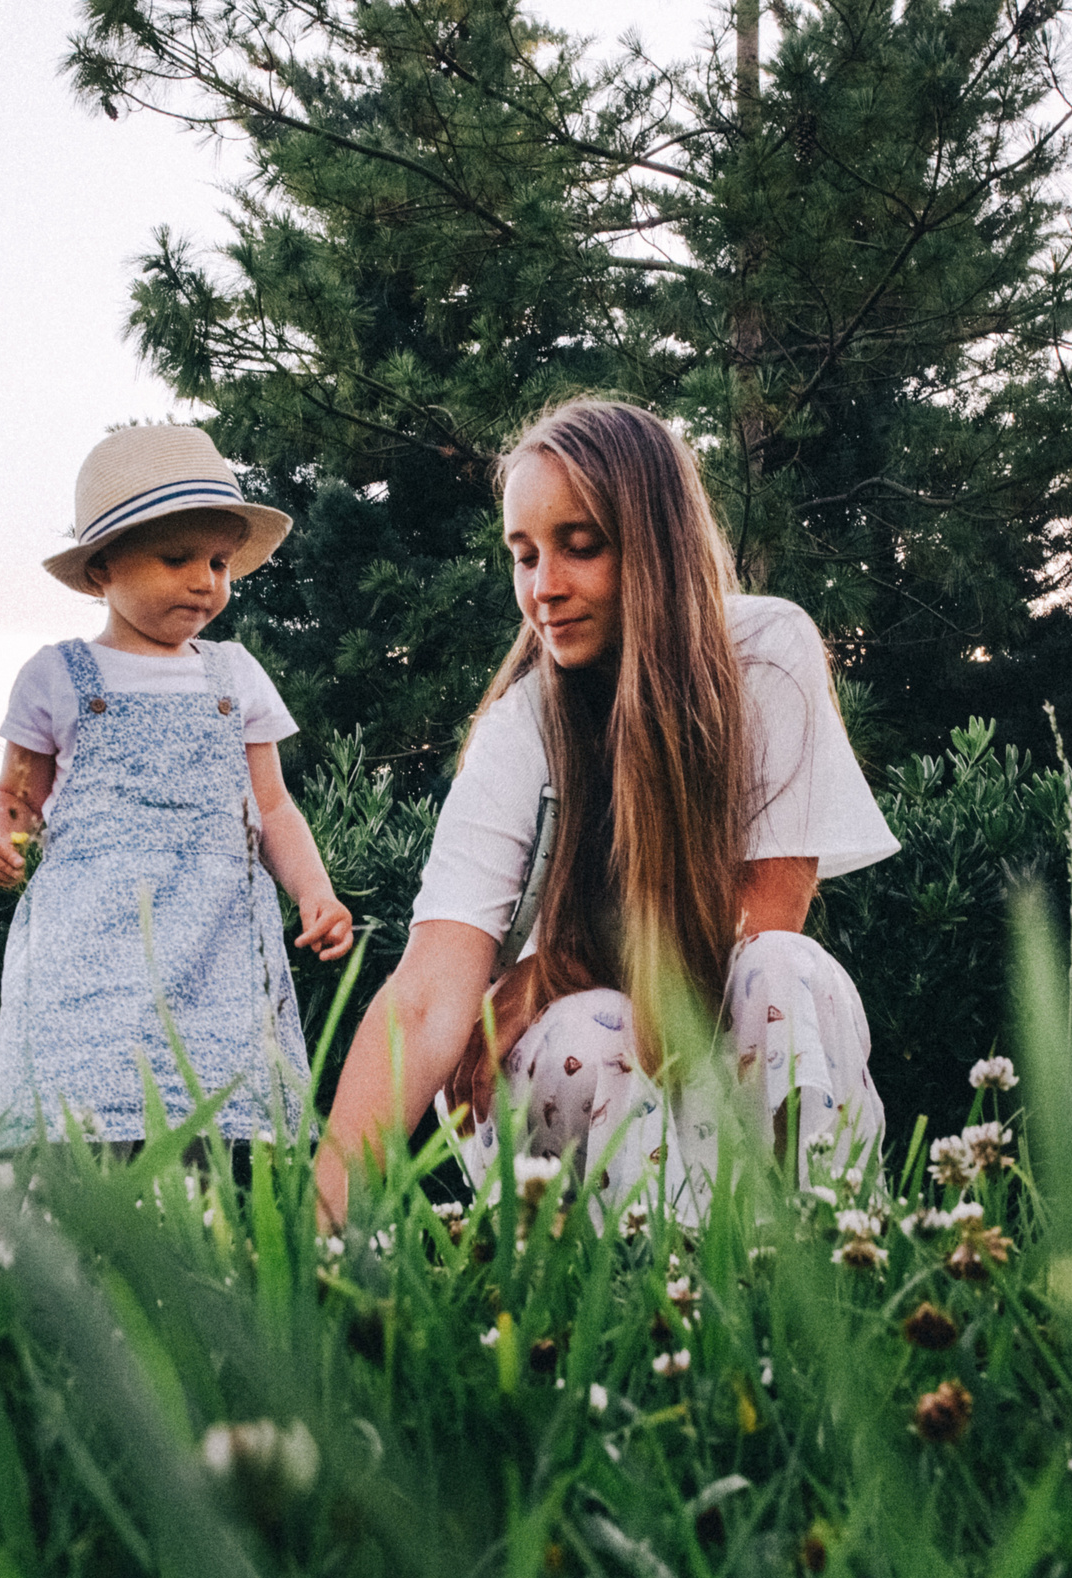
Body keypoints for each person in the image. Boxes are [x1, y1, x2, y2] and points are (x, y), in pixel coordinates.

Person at [314, 399, 899, 1227]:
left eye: (579, 546)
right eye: (524, 556)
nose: (544, 587)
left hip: (711, 1041)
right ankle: (634, 1303)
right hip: (571, 1076)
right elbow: (426, 995)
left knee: (783, 970)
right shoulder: (523, 726)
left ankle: (821, 1266)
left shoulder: (767, 652)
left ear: (654, 542)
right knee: (601, 1026)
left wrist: (554, 966)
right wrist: (313, 1230)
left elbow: (763, 915)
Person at [0, 423, 355, 1148]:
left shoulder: (233, 674)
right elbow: (18, 797)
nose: (206, 580)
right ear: (101, 569)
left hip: (220, 949)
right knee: (92, 1137)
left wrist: (314, 891)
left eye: (218, 560)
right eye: (177, 558)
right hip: (90, 957)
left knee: (229, 1135)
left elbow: (270, 804)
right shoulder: (57, 675)